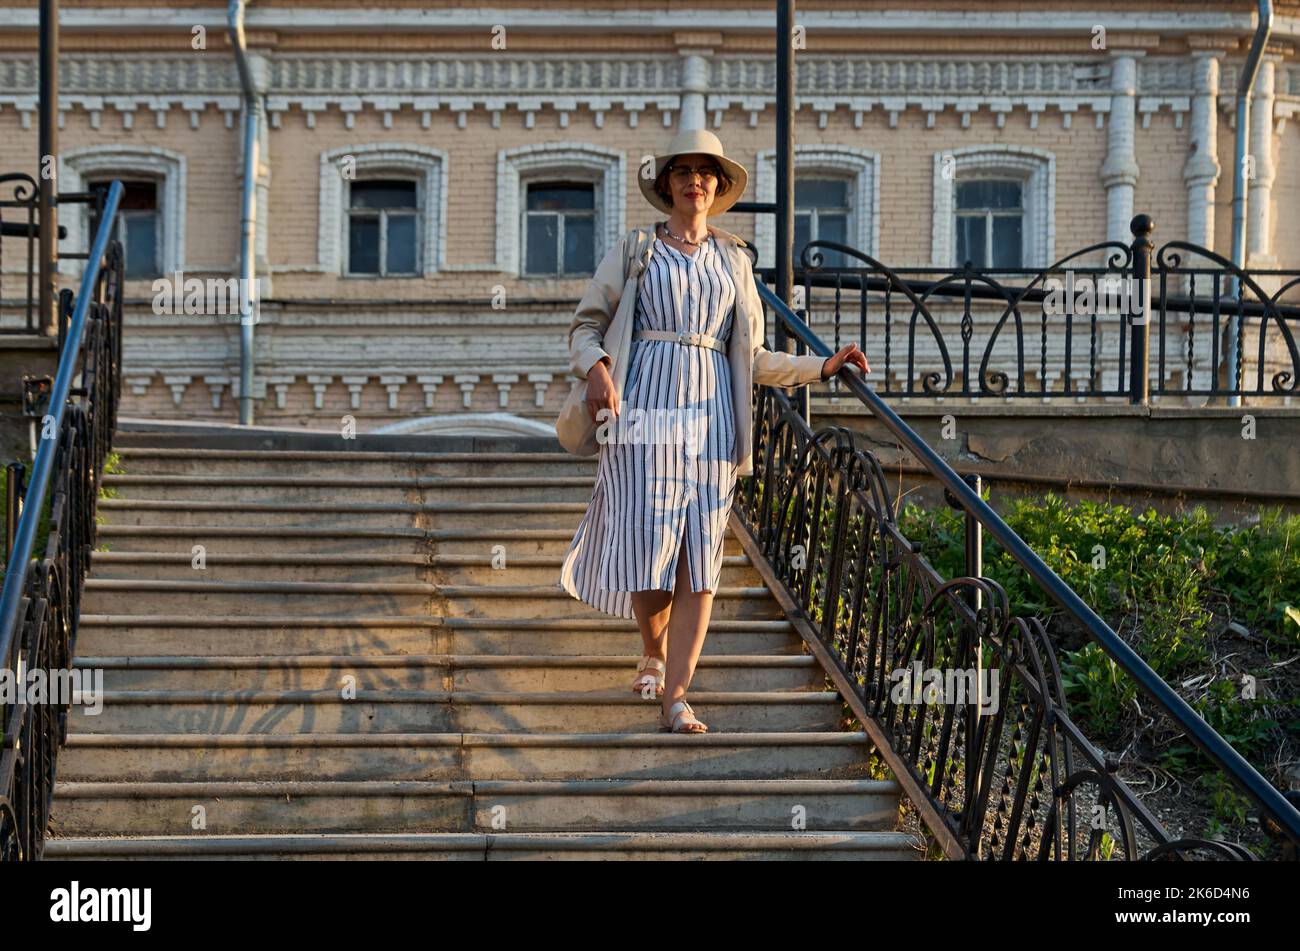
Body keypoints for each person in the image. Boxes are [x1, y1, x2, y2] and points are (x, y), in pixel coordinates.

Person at [558, 129, 869, 734]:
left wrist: (821, 366)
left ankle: (677, 696)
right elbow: (584, 325)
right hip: (641, 412)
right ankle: (651, 647)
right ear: (668, 183)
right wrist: (596, 367)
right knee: (649, 550)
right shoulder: (635, 249)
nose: (694, 180)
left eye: (706, 172)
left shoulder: (734, 261)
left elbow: (752, 356)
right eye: (683, 171)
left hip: (712, 419)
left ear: (718, 187)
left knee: (698, 554)